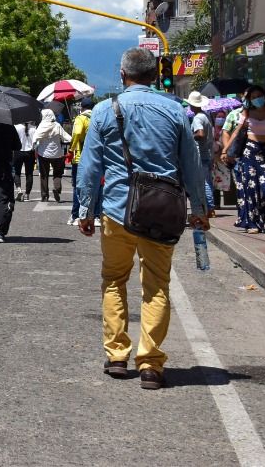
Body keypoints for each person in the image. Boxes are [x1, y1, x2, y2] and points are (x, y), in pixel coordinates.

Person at [75, 48, 208, 390]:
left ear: (122, 76)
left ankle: (117, 355)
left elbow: (90, 168)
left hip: (118, 211)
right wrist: (200, 209)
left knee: (114, 279)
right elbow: (191, 165)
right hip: (163, 211)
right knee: (156, 285)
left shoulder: (106, 110)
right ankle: (150, 363)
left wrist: (85, 210)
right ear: (154, 75)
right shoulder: (176, 110)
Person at [225, 84, 265, 233]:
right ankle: (253, 223)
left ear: (264, 96)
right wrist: (225, 150)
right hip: (249, 153)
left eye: (259, 96)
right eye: (253, 98)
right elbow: (234, 132)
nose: (257, 99)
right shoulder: (245, 113)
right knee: (251, 189)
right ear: (249, 100)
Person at [187, 91, 215, 219]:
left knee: (203, 183)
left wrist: (189, 137)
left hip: (200, 153)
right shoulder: (206, 116)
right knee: (207, 181)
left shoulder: (198, 118)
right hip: (208, 152)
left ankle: (209, 208)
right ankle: (210, 207)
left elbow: (200, 134)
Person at [33, 108, 70, 202]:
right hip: (57, 154)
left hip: (43, 154)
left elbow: (35, 138)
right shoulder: (57, 125)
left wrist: (34, 147)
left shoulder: (41, 126)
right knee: (57, 173)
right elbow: (66, 137)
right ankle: (57, 188)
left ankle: (44, 195)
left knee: (44, 175)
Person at [67, 100, 94, 224]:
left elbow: (77, 132)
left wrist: (71, 149)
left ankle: (76, 215)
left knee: (78, 186)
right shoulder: (97, 117)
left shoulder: (81, 118)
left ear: (82, 108)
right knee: (95, 186)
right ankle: (94, 214)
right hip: (95, 157)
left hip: (80, 157)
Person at [13, 119, 36, 201]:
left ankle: (19, 189)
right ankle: (27, 194)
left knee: (17, 172)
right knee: (29, 174)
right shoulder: (33, 128)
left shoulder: (16, 127)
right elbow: (35, 142)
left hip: (18, 152)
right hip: (30, 153)